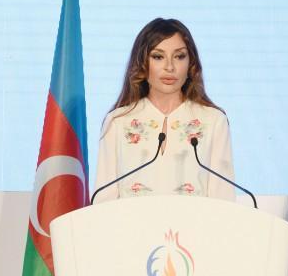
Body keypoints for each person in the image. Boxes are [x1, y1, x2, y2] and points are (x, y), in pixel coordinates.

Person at [93, 18, 235, 203]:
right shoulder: (117, 121)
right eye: (158, 57)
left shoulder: (214, 120)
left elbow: (224, 201)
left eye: (179, 56)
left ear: (191, 64)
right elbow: (103, 202)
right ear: (142, 63)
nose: (170, 67)